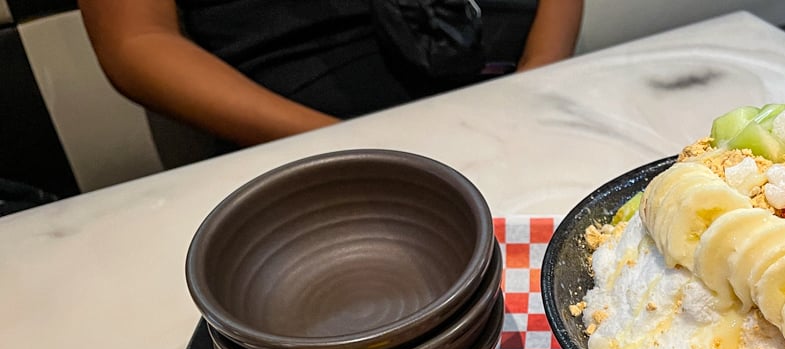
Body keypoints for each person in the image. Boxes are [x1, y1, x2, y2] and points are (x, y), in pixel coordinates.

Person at [78, 1, 584, 148]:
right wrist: (344, 145)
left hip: (525, 107)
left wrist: (537, 83)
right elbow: (136, 41)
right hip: (306, 139)